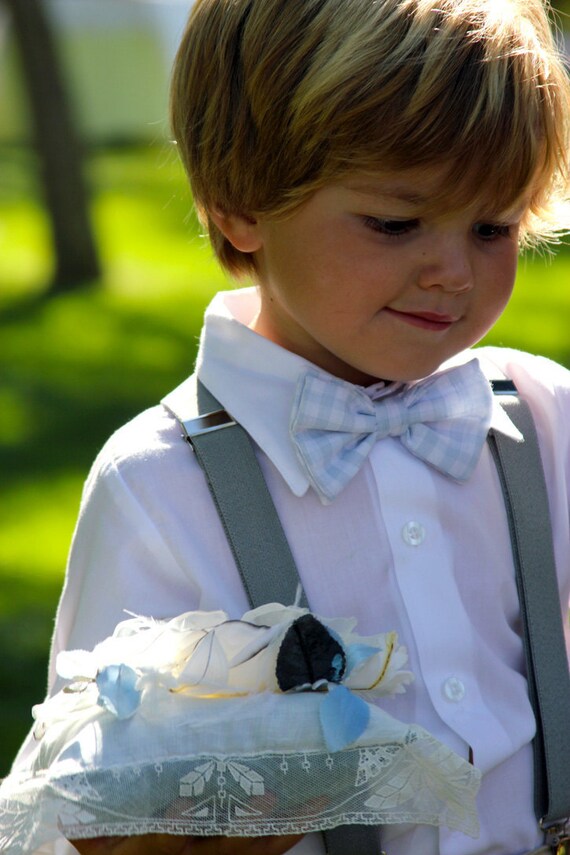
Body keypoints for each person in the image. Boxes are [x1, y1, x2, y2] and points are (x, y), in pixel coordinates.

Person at [5, 0, 570, 853]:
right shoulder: (160, 489)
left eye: (493, 227)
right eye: (396, 222)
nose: (453, 271)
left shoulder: (543, 422)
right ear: (240, 204)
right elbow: (98, 797)